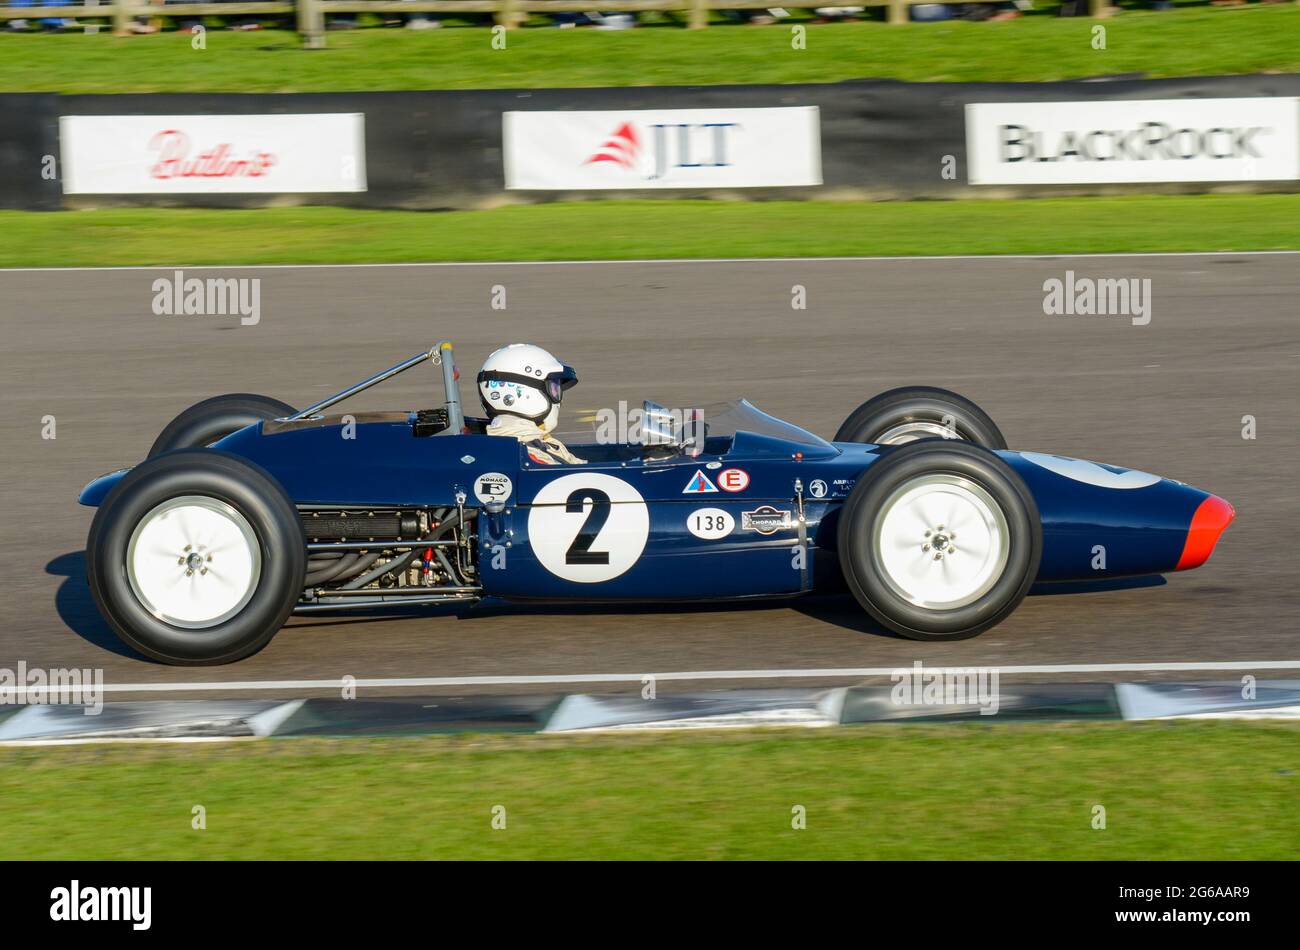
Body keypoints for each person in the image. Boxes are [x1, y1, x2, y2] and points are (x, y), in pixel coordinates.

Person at [477, 344, 585, 465]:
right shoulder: (533, 458)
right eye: (554, 387)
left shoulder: (534, 445)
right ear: (524, 392)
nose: (559, 399)